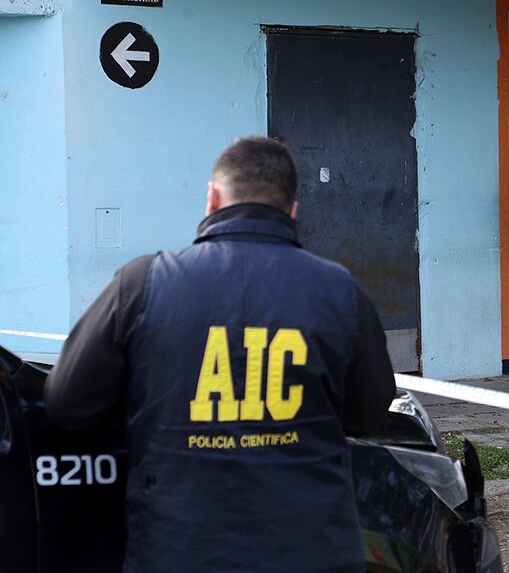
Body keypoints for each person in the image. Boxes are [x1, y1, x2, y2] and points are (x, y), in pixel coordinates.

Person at [44, 136, 396, 573]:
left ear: (211, 198)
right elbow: (368, 414)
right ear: (292, 210)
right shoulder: (342, 291)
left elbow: (65, 403)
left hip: (179, 551)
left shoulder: (142, 284)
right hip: (312, 550)